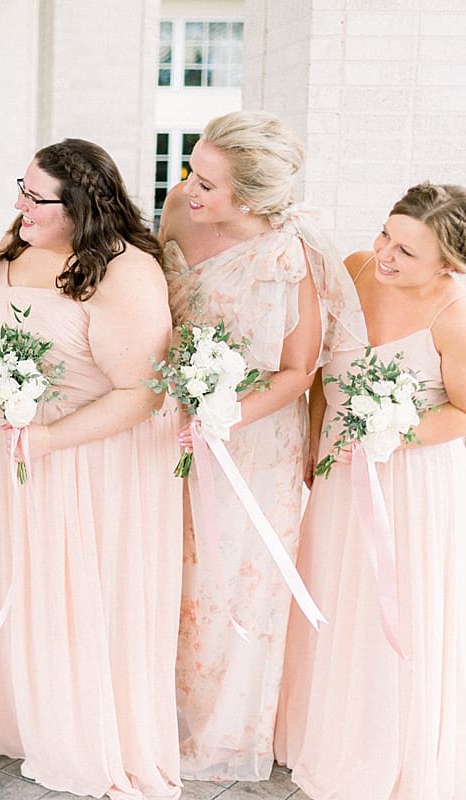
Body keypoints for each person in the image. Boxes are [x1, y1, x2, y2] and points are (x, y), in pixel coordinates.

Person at [0, 139, 183, 798]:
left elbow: (141, 393)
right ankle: (20, 715)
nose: (19, 204)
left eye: (36, 197)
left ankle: (80, 727)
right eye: (21, 187)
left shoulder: (124, 273)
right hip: (6, 457)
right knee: (19, 580)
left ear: (82, 205)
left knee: (79, 594)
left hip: (87, 465)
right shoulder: (17, 251)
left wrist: (49, 438)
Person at [160, 111, 366, 781]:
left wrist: (223, 415)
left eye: (208, 185)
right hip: (168, 429)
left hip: (250, 440)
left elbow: (297, 372)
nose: (190, 187)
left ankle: (217, 734)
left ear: (247, 198)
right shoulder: (175, 209)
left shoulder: (289, 255)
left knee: (229, 589)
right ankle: (151, 715)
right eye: (191, 168)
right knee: (167, 576)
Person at [276, 183, 466, 800]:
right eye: (387, 234)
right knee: (333, 589)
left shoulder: (456, 318)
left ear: (448, 263)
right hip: (337, 465)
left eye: (406, 251)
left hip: (407, 486)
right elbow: (319, 368)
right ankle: (320, 730)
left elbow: (462, 412)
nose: (384, 253)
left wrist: (393, 432)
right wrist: (311, 435)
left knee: (391, 612)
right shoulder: (356, 269)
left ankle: (382, 746)